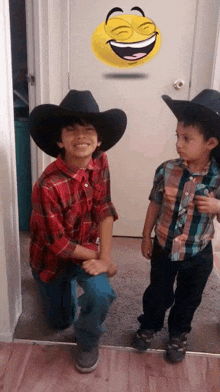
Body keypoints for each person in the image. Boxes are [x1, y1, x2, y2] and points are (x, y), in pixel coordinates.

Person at [29, 90, 127, 373]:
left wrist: (105, 258)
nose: (81, 136)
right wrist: (100, 256)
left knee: (101, 294)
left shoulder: (101, 161)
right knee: (60, 322)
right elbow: (58, 244)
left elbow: (105, 209)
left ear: (98, 140)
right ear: (60, 140)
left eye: (88, 130)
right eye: (71, 130)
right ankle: (53, 288)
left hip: (85, 251)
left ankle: (87, 340)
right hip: (53, 260)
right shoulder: (47, 185)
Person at [132, 89, 220, 363]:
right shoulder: (166, 169)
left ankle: (179, 333)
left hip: (198, 252)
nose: (178, 144)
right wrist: (145, 236)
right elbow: (155, 204)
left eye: (187, 139)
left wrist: (218, 206)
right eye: (177, 137)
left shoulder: (218, 178)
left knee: (189, 297)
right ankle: (149, 325)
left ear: (211, 143)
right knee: (158, 291)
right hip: (164, 245)